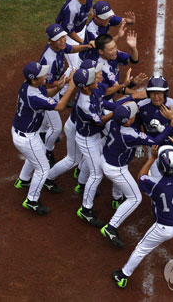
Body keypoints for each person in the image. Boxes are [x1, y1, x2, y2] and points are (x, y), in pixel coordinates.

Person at [112, 132, 173, 288]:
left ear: (159, 166)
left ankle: (123, 275)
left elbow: (141, 176)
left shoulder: (154, 183)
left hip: (163, 227)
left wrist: (151, 157)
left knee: (141, 249)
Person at [100, 102, 173, 247]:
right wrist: (171, 127)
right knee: (135, 198)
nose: (135, 114)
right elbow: (155, 141)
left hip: (105, 159)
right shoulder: (129, 134)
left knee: (122, 182)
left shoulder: (113, 122)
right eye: (132, 115)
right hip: (116, 169)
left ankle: (116, 199)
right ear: (128, 121)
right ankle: (111, 227)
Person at [73, 67, 145, 227]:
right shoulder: (85, 103)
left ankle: (81, 184)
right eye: (94, 78)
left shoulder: (93, 91)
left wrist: (129, 94)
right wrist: (119, 113)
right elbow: (100, 120)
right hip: (87, 139)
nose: (98, 78)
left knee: (93, 162)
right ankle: (85, 210)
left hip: (94, 135)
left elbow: (105, 103)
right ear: (85, 86)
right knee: (97, 173)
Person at [12, 62, 75, 215]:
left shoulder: (27, 85)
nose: (46, 75)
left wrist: (60, 86)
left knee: (35, 155)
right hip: (26, 138)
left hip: (23, 133)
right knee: (43, 168)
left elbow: (46, 94)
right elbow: (60, 106)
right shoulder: (33, 97)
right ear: (34, 80)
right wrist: (71, 87)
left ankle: (24, 179)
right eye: (42, 75)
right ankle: (32, 201)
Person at [39, 23, 94, 166]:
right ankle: (47, 151)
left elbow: (71, 48)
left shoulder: (59, 47)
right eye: (59, 39)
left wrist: (86, 46)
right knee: (56, 127)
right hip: (47, 93)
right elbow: (47, 85)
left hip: (54, 88)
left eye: (63, 36)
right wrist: (67, 81)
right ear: (50, 41)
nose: (63, 40)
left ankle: (42, 133)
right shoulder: (49, 60)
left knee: (47, 124)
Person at [135, 75, 173, 174]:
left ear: (165, 93)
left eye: (159, 93)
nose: (156, 97)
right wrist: (138, 144)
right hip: (154, 148)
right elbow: (136, 124)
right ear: (148, 93)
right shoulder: (141, 106)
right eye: (153, 93)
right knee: (156, 177)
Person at [56, 0, 93, 76]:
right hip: (66, 36)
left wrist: (92, 14)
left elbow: (89, 6)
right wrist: (83, 42)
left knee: (90, 53)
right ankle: (62, 90)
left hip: (81, 28)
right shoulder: (71, 9)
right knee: (75, 66)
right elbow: (69, 31)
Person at [95, 33, 147, 101]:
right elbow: (119, 89)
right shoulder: (103, 67)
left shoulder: (113, 54)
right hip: (100, 101)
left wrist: (133, 48)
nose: (115, 51)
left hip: (109, 94)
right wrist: (138, 93)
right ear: (101, 51)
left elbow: (134, 60)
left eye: (115, 47)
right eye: (111, 49)